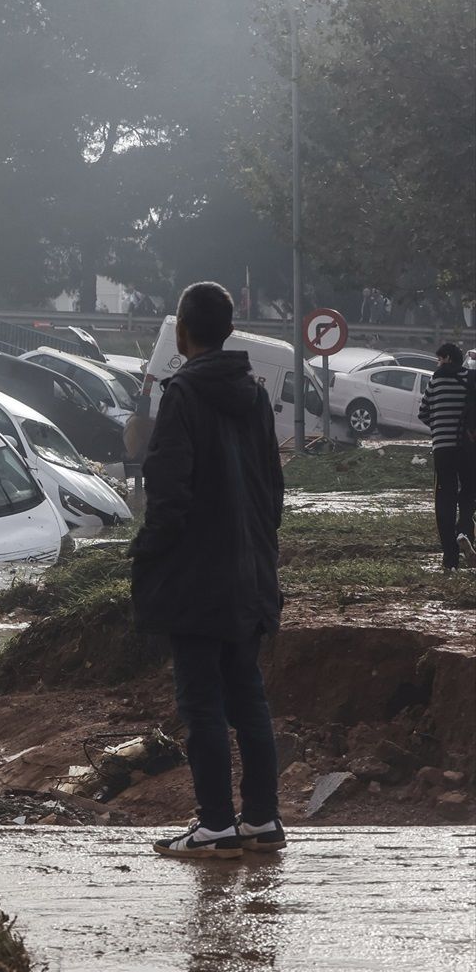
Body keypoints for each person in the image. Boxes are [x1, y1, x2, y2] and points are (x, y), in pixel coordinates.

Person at [131, 281, 286, 859]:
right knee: (248, 697)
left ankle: (216, 824)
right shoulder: (254, 397)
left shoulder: (183, 395)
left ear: (182, 331)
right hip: (250, 574)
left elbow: (168, 493)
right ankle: (263, 821)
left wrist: (147, 554)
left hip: (196, 579)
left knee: (201, 704)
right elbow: (274, 489)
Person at [419, 342, 476, 571]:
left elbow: (423, 413)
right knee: (470, 491)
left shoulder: (434, 381)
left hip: (442, 449)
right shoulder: (471, 379)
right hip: (467, 447)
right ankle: (464, 530)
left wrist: (439, 426)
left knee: (444, 500)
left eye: (440, 358)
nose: (438, 363)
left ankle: (450, 558)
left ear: (448, 358)